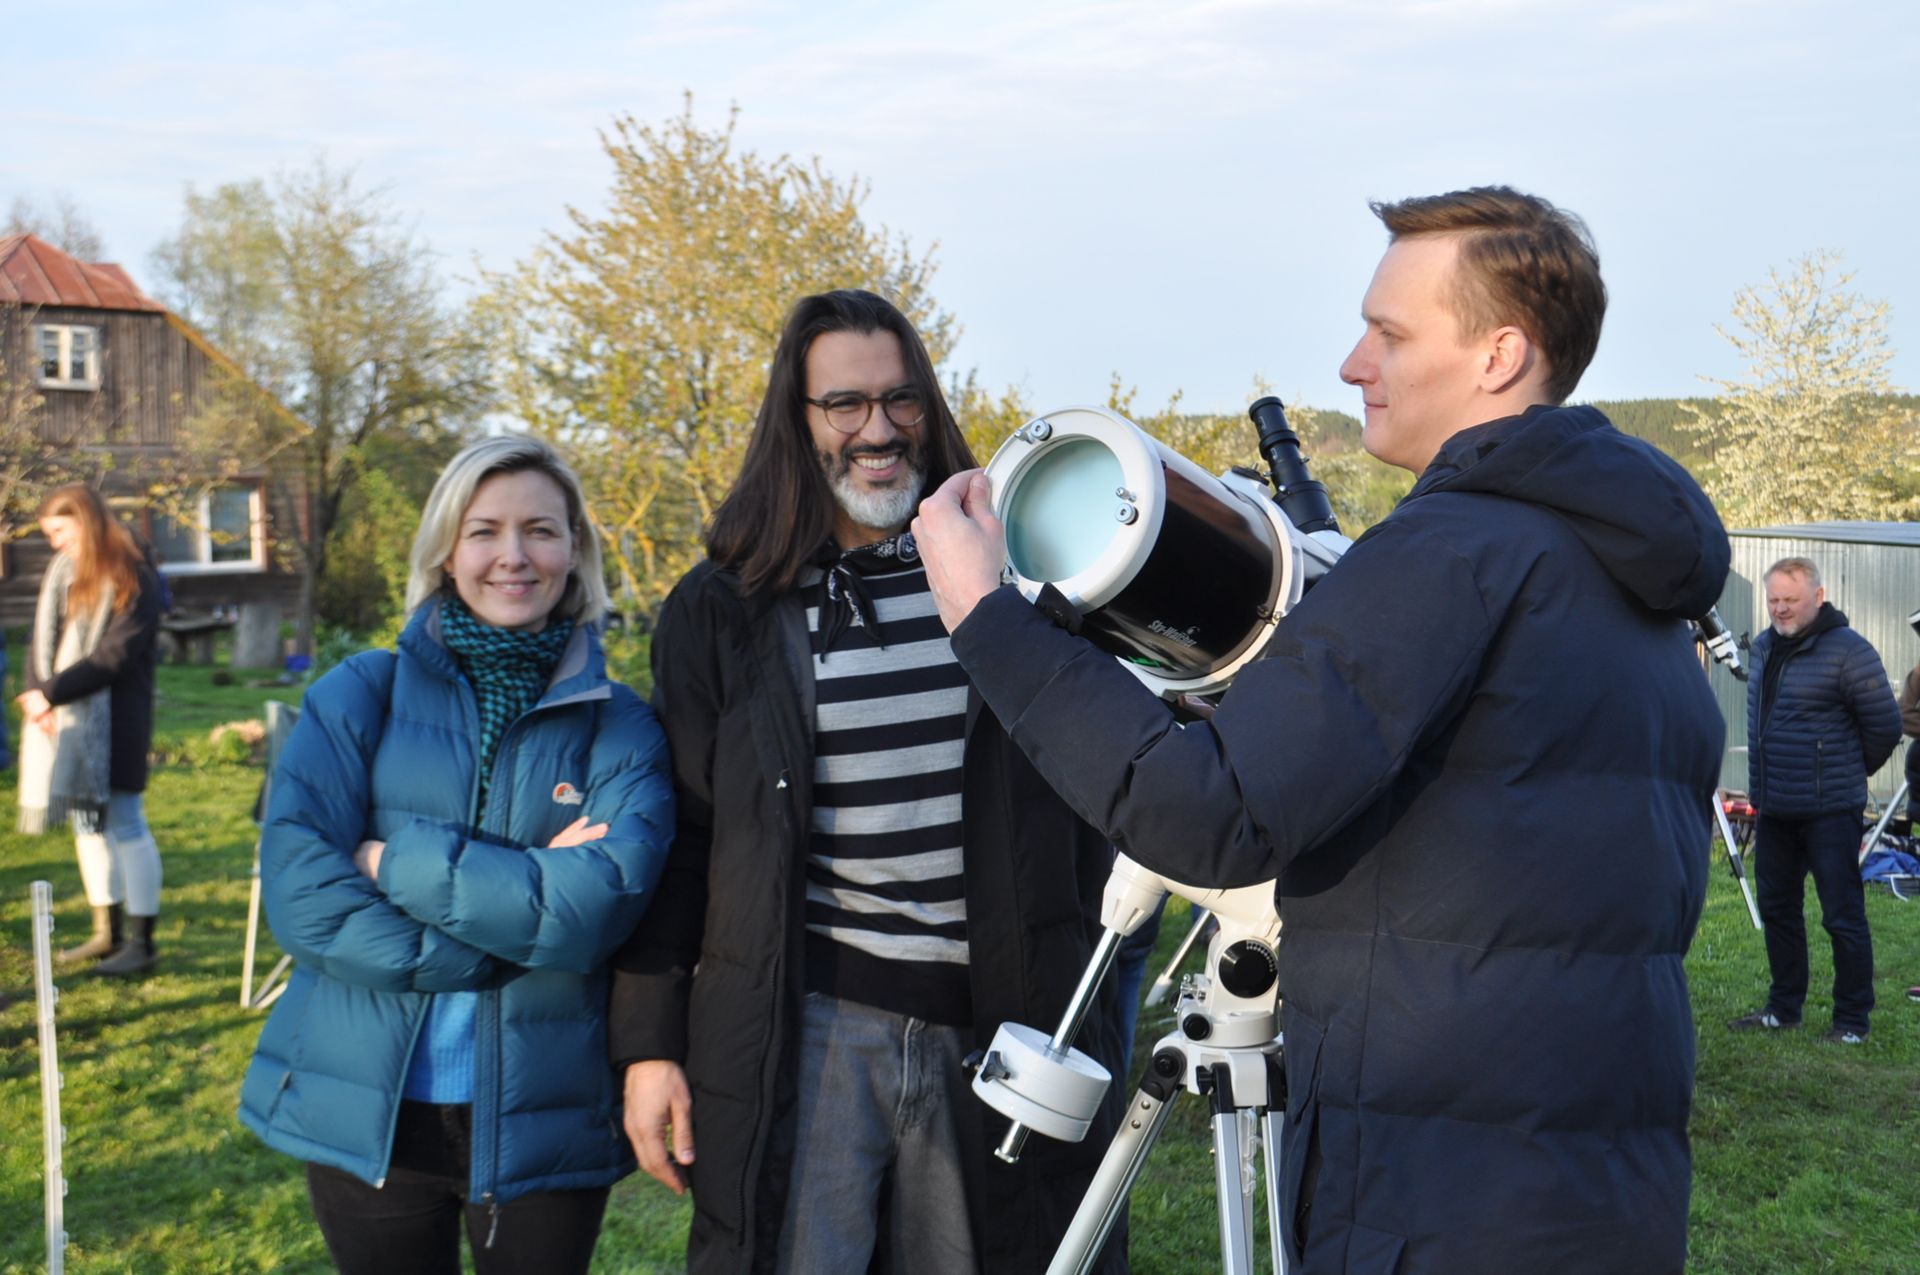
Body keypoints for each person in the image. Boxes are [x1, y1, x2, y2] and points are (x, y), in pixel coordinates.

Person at [915, 187, 1729, 1274]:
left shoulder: (1453, 552)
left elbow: (1212, 815)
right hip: (1593, 1187)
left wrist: (986, 616)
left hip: (1437, 1200)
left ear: (1499, 354)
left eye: (1390, 333)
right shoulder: (1631, 575)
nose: (1353, 364)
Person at [608, 288, 1126, 1275]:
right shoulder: (725, 610)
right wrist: (649, 1045)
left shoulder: (1016, 578)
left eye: (900, 399)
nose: (878, 430)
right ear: (797, 420)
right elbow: (685, 838)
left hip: (1002, 1021)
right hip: (810, 1026)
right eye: (844, 404)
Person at [237, 436, 674, 1275]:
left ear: (574, 549)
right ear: (446, 548)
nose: (514, 555)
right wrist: (516, 920)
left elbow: (592, 911)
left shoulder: (622, 725)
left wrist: (387, 862)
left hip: (545, 1109)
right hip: (366, 1103)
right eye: (484, 530)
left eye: (540, 529)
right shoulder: (356, 695)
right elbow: (304, 899)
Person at [1730, 557, 1899, 1045]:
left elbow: (1885, 727)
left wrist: (1843, 771)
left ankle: (1852, 1020)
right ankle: (1783, 1009)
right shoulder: (1764, 648)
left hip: (1830, 811)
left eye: (1791, 600)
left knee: (1841, 915)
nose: (1780, 609)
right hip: (1775, 807)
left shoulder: (1850, 651)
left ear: (1818, 598)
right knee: (1778, 910)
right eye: (1774, 600)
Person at [15, 484, 165, 976]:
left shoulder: (134, 575)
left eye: (60, 531)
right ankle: (107, 933)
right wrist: (38, 694)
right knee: (87, 824)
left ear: (86, 521)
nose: (55, 543)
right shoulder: (65, 572)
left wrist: (51, 693)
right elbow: (41, 639)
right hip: (69, 717)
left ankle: (142, 943)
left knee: (125, 821)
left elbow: (115, 655)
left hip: (118, 719)